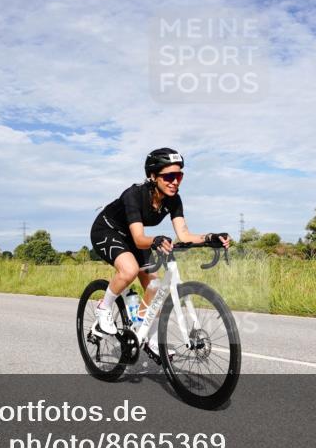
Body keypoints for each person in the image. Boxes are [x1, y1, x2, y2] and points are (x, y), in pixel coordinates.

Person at [89, 148, 229, 363]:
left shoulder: (174, 200)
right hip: (108, 231)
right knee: (129, 270)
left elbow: (183, 234)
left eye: (179, 176)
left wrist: (210, 237)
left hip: (134, 237)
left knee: (154, 288)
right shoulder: (134, 195)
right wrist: (154, 240)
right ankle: (103, 308)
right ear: (153, 177)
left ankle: (147, 337)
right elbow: (138, 239)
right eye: (169, 176)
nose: (175, 181)